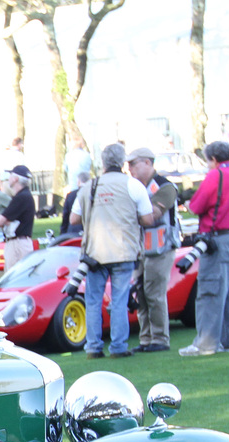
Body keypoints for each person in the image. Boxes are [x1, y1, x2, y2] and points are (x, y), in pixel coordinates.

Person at [72, 143, 158, 358]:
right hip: (123, 249)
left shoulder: (88, 186)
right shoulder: (133, 185)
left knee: (93, 301)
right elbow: (148, 219)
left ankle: (93, 346)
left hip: (94, 252)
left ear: (102, 162)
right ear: (122, 163)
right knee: (119, 299)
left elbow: (73, 219)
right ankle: (118, 346)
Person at [180, 139, 229, 356]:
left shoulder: (216, 175)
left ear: (213, 159)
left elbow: (196, 206)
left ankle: (206, 343)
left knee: (211, 291)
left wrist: (189, 196)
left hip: (220, 239)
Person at [127, 148, 181, 353]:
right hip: (141, 250)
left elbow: (153, 214)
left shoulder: (165, 187)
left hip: (161, 248)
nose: (130, 169)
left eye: (134, 164)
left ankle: (159, 338)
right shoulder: (136, 188)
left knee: (154, 293)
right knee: (141, 293)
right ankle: (146, 338)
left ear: (148, 163)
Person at [0, 166, 35, 271]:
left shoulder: (21, 198)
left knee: (13, 278)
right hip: (20, 243)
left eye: (11, 175)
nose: (8, 178)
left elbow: (0, 221)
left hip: (17, 244)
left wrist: (5, 220)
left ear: (16, 179)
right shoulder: (25, 196)